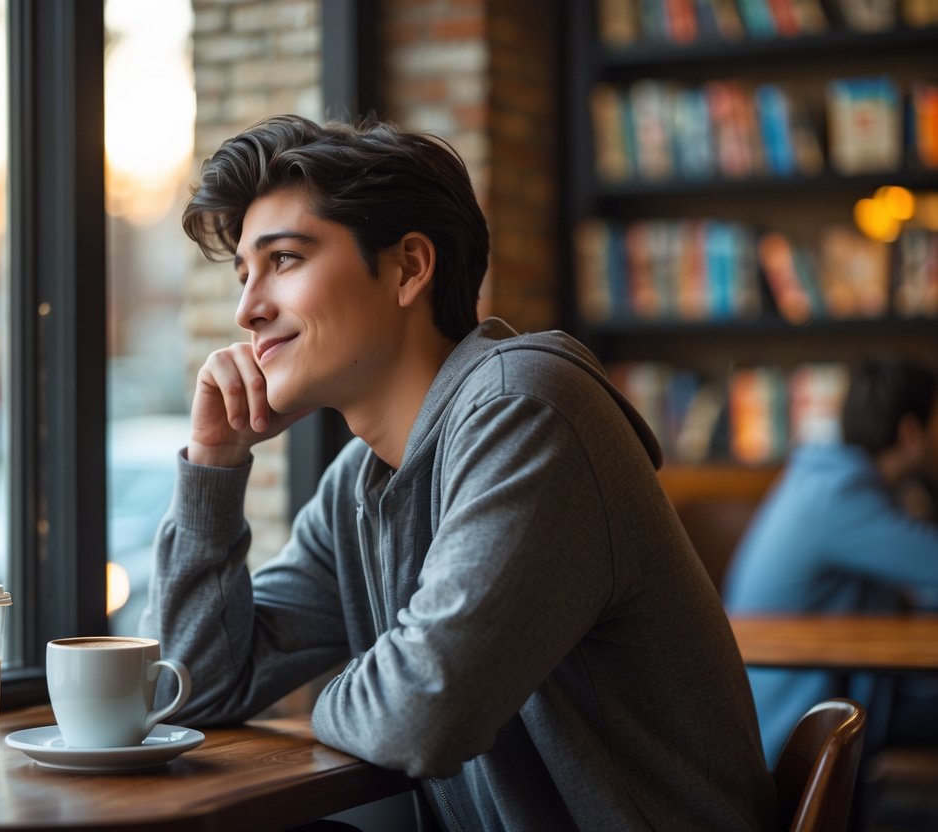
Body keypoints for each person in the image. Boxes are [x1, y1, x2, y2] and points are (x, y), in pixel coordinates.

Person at [144, 114, 777, 831]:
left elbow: (421, 712)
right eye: (243, 274)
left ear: (410, 267)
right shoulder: (361, 481)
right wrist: (212, 463)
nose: (247, 308)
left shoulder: (526, 408)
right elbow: (187, 691)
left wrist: (318, 702)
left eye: (283, 259)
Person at [725, 358, 938, 765]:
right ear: (911, 432)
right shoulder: (840, 497)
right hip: (792, 726)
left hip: (804, 702)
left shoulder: (825, 477)